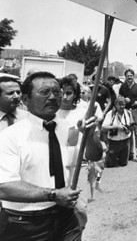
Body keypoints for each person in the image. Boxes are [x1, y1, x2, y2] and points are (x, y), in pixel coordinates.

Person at [0, 71, 96, 240]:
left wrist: (91, 135)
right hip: (26, 224)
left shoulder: (69, 129)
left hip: (67, 219)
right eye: (44, 92)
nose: (53, 97)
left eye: (57, 92)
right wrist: (54, 195)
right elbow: (4, 187)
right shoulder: (10, 137)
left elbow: (92, 156)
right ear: (25, 99)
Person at [119, 69, 137, 164]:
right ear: (125, 77)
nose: (129, 77)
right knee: (128, 132)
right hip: (126, 112)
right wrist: (123, 99)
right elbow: (119, 100)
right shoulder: (122, 87)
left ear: (133, 76)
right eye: (128, 76)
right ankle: (130, 152)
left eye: (131, 75)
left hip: (136, 111)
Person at [101, 96, 133, 168]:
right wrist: (116, 127)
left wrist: (128, 128)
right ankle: (111, 155)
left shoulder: (128, 113)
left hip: (125, 141)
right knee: (110, 164)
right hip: (114, 142)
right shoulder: (110, 114)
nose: (122, 106)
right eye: (120, 104)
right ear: (115, 105)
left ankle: (120, 155)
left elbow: (132, 125)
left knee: (123, 163)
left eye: (123, 104)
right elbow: (103, 128)